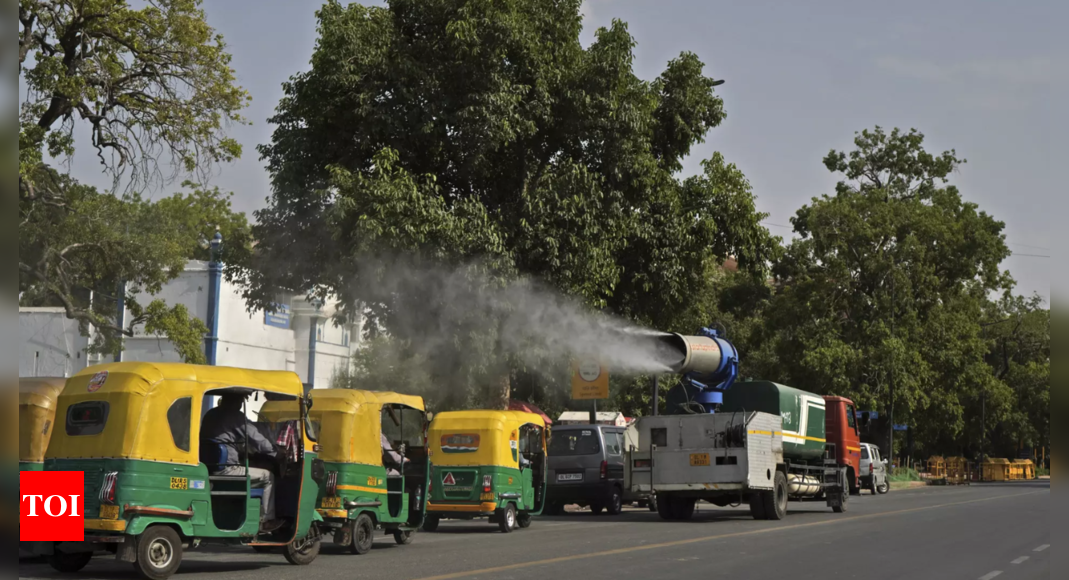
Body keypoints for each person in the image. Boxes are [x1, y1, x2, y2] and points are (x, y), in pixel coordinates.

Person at [202, 393, 282, 531]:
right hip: (227, 469)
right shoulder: (236, 416)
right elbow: (256, 439)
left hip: (209, 467)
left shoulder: (211, 413)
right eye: (241, 400)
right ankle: (267, 520)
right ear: (236, 401)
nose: (240, 404)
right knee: (268, 477)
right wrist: (275, 452)